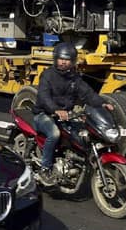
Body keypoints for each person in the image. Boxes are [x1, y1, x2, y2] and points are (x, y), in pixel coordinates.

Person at [33, 42, 114, 185]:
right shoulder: (47, 75)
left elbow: (88, 93)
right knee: (54, 134)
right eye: (61, 59)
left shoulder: (74, 78)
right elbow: (43, 97)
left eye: (67, 59)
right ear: (56, 58)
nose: (64, 62)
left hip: (66, 115)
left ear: (72, 61)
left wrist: (101, 103)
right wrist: (56, 110)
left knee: (82, 134)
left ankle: (73, 162)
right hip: (44, 114)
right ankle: (45, 169)